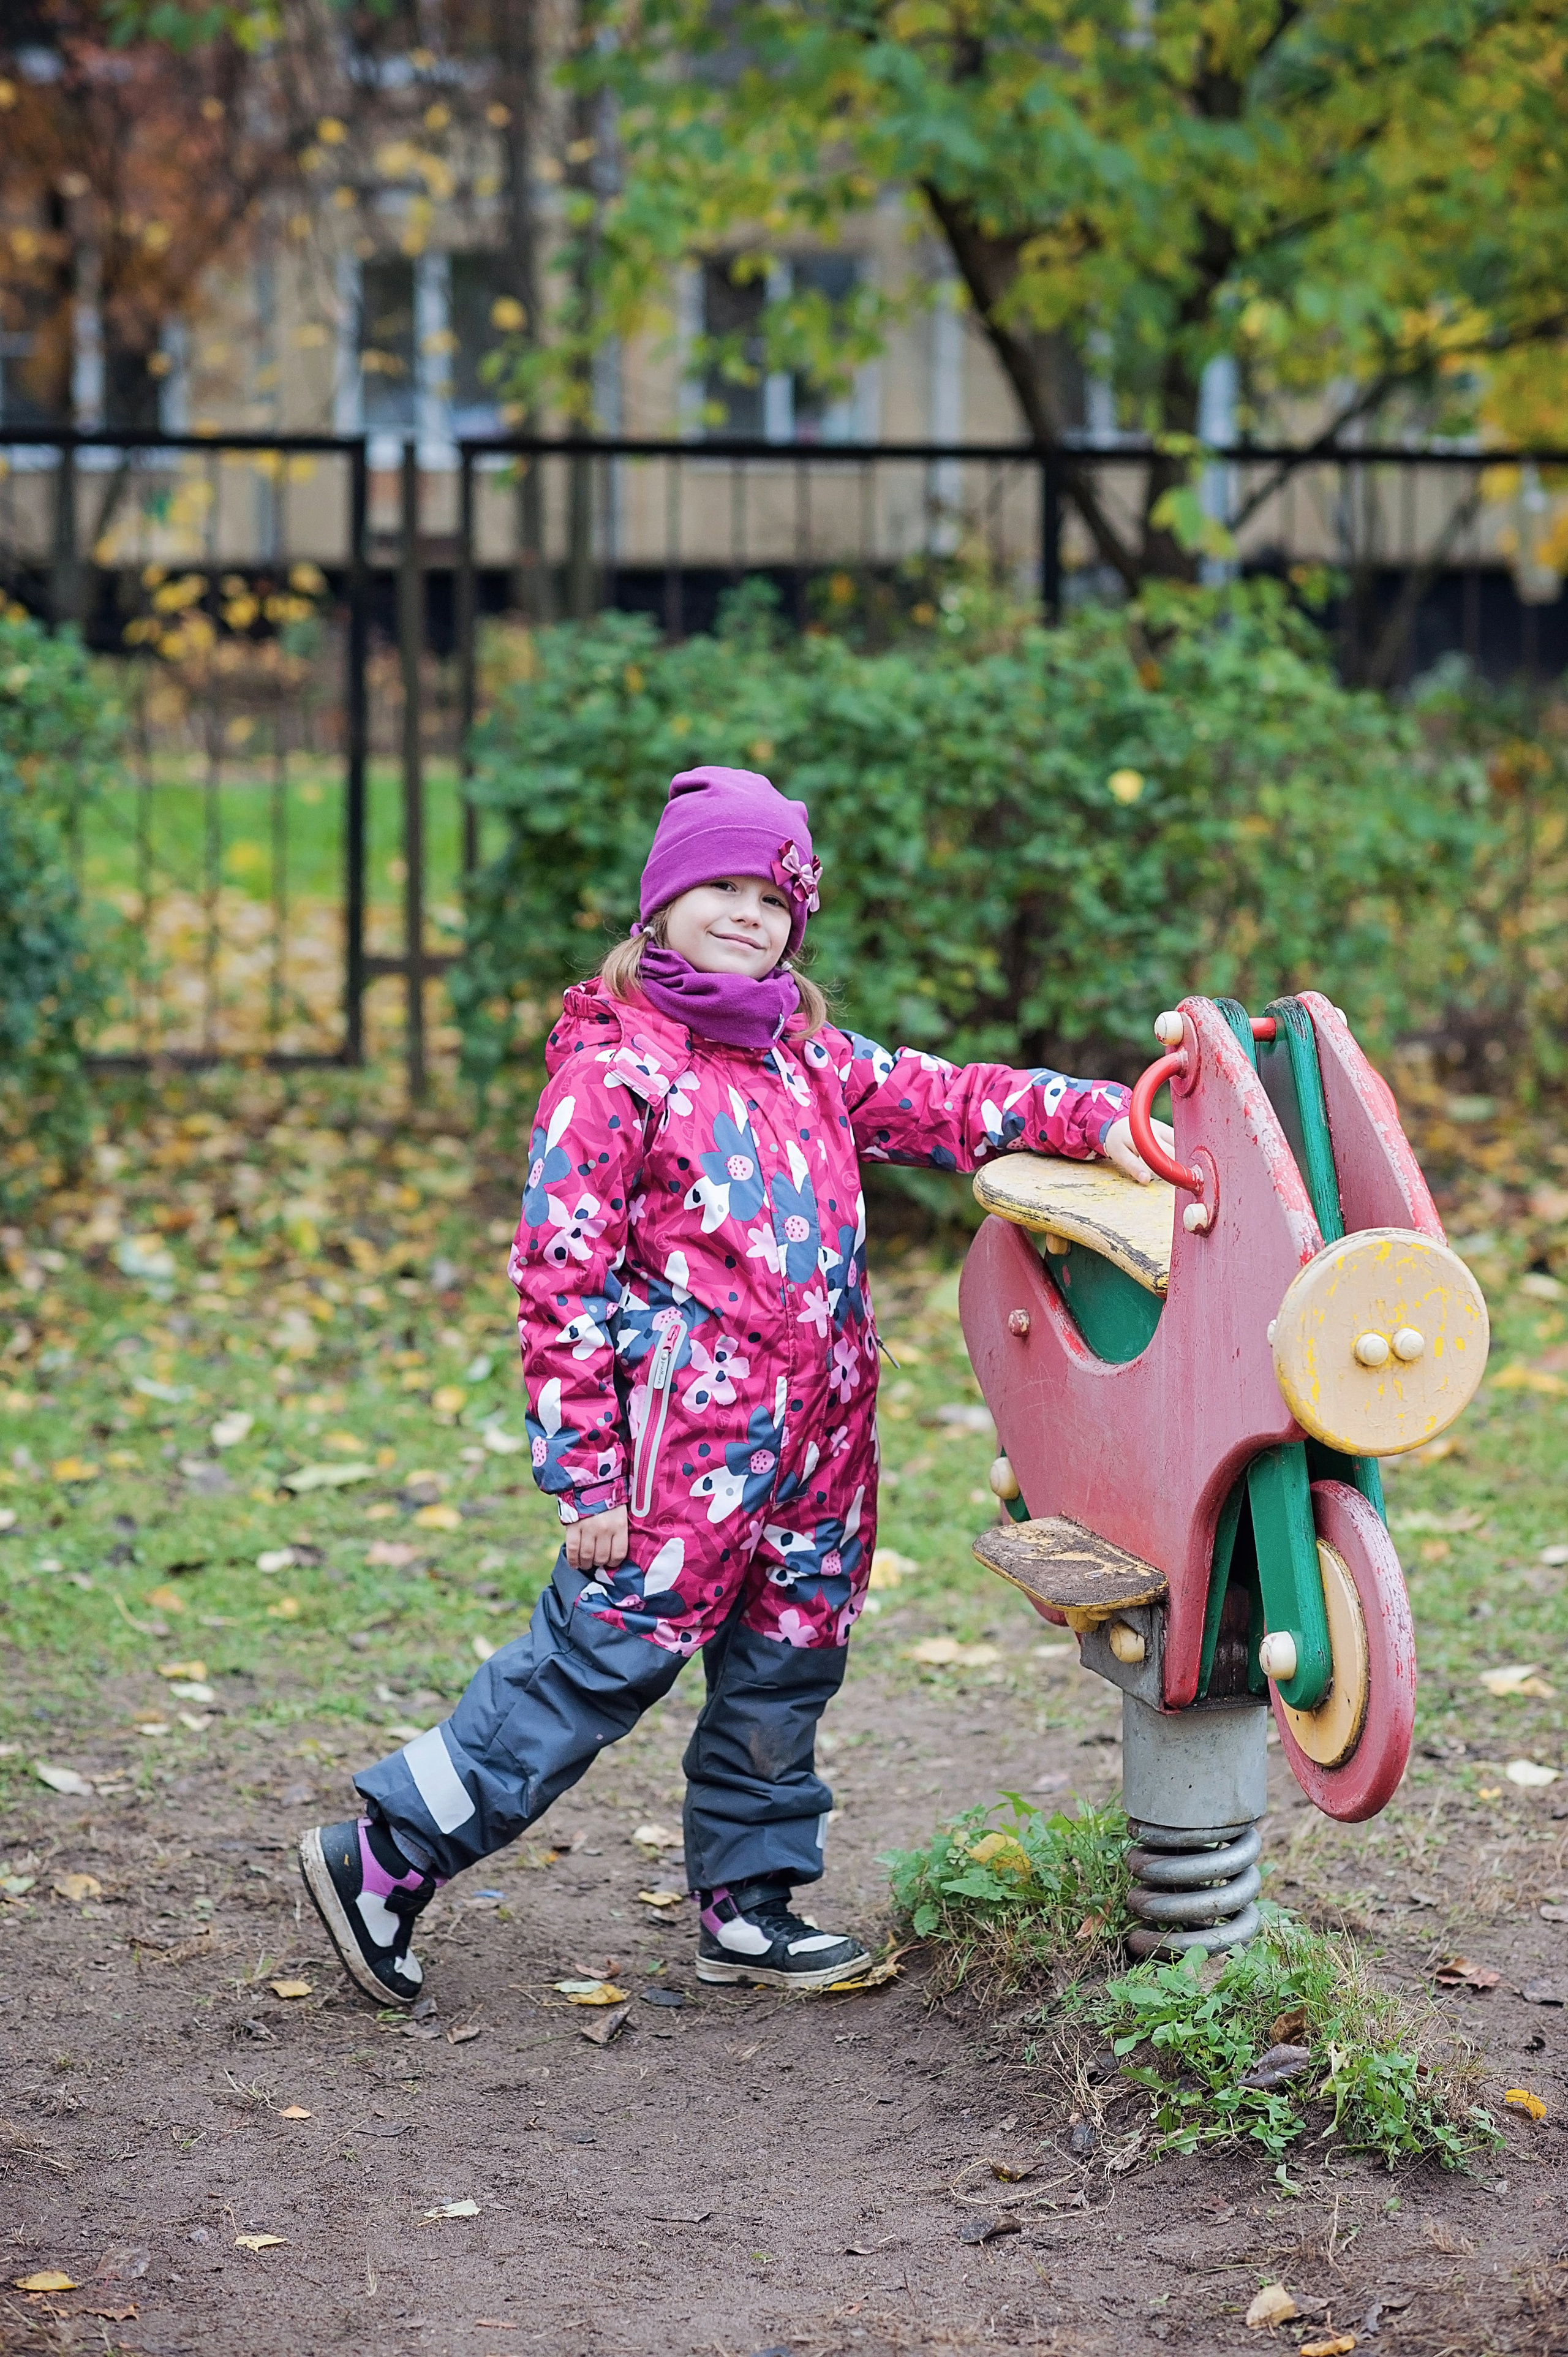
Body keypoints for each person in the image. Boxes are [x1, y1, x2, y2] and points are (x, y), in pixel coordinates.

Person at [300, 765, 1163, 2002]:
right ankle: (387, 1852)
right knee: (597, 1665)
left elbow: (952, 1101)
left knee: (786, 1664)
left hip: (819, 1452)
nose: (748, 914)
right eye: (721, 887)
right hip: (676, 1465)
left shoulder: (808, 1058)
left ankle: (747, 1906)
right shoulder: (614, 1073)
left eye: (773, 898)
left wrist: (1103, 1119)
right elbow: (559, 1281)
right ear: (660, 903)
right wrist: (585, 1474)